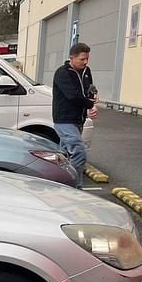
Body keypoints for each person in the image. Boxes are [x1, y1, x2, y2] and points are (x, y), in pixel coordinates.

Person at [52, 42, 99, 189]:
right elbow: (73, 96)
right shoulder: (62, 73)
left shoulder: (86, 71)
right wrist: (90, 105)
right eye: (82, 59)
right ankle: (74, 187)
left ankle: (55, 182)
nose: (85, 62)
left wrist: (94, 96)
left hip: (78, 120)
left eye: (87, 59)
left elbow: (89, 89)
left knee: (63, 154)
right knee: (79, 152)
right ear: (72, 58)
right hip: (64, 120)